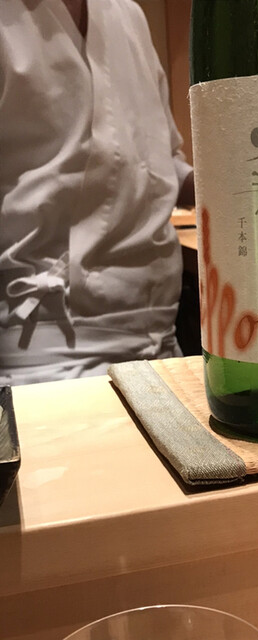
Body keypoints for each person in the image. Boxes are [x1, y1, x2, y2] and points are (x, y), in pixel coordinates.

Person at [0, 0, 195, 386]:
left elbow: (160, 159)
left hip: (163, 341)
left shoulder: (127, 14)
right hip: (41, 357)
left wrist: (240, 180)